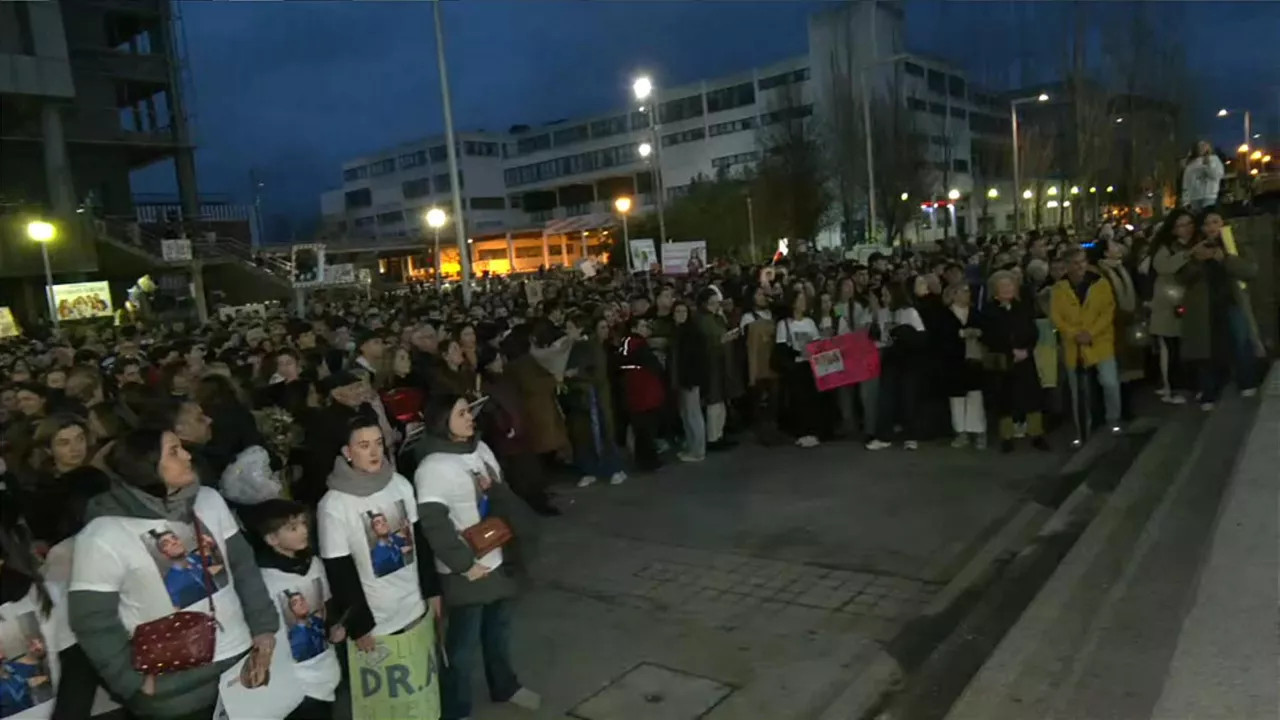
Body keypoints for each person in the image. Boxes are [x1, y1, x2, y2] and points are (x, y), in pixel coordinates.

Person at [69, 428, 278, 720]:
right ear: (147, 465)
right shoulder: (103, 534)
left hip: (238, 662)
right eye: (174, 451)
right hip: (173, 687)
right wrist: (131, 682)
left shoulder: (209, 500)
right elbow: (91, 620)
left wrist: (264, 627)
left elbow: (243, 568)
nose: (187, 455)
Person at [413, 393, 540, 720]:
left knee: (499, 630)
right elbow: (434, 524)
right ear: (442, 421)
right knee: (462, 647)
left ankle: (505, 686)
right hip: (466, 570)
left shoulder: (481, 450)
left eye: (469, 410)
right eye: (460, 413)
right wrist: (464, 565)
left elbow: (504, 498)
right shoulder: (432, 467)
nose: (470, 417)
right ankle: (455, 709)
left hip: (501, 558)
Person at [316, 416, 439, 678]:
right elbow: (339, 570)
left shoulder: (399, 484)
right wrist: (359, 624)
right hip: (377, 619)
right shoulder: (334, 505)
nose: (374, 452)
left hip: (414, 604)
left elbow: (420, 541)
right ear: (347, 453)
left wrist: (432, 590)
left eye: (378, 443)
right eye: (363, 445)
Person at [244, 498, 343, 720]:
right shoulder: (263, 578)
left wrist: (334, 626)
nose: (303, 531)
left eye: (303, 524)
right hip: (291, 679)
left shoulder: (314, 564)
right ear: (271, 539)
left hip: (323, 666)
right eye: (292, 528)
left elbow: (325, 604)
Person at [1177, 208, 1263, 408]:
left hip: (1232, 302)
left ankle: (1247, 381)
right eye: (1207, 224)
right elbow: (1183, 278)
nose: (1211, 227)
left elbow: (1250, 270)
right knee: (1207, 349)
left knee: (1241, 339)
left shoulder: (1235, 243)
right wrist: (1197, 261)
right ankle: (1210, 391)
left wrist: (1224, 258)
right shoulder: (1196, 248)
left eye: (1215, 222)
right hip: (1205, 307)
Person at [1051, 249, 1122, 441]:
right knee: (1078, 392)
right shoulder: (1059, 289)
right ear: (1067, 266)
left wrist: (1091, 332)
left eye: (1082, 262)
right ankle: (1082, 429)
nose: (1080, 266)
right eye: (1075, 263)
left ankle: (1113, 420)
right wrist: (1075, 334)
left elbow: (1108, 311)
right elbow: (1057, 317)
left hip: (1099, 341)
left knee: (1110, 382)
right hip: (1075, 346)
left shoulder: (1100, 284)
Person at [983, 271, 1050, 452]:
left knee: (1032, 396)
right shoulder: (989, 310)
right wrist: (1009, 350)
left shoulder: (1022, 307)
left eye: (1010, 285)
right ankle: (1007, 438)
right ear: (995, 290)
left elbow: (1033, 331)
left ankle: (1037, 434)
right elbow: (989, 336)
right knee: (1005, 399)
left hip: (1025, 358)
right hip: (1004, 360)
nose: (1008, 289)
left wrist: (1026, 350)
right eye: (1003, 286)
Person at [1148, 209, 1196, 404]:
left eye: (1189, 224)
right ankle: (1173, 388)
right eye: (1181, 225)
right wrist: (1187, 255)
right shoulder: (1165, 248)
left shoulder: (1196, 243)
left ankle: (1187, 385)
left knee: (1186, 346)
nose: (1186, 229)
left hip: (1188, 301)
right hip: (1168, 304)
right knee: (1171, 347)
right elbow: (1163, 266)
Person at [935, 284, 987, 448]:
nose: (967, 295)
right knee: (957, 398)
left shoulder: (975, 313)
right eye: (963, 291)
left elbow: (986, 329)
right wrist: (960, 334)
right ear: (953, 295)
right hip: (953, 361)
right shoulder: (944, 315)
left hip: (973, 360)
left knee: (975, 396)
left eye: (968, 292)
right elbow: (940, 336)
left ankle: (978, 430)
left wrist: (978, 333)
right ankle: (960, 431)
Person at [618, 316, 666, 471]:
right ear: (634, 328)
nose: (647, 329)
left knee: (641, 430)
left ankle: (644, 460)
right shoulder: (637, 345)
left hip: (637, 393)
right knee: (645, 430)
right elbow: (655, 366)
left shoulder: (628, 344)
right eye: (643, 325)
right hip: (643, 393)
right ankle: (648, 461)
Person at [1181, 141, 1224, 212]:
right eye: (1200, 146)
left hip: (1209, 196)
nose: (1202, 148)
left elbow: (1216, 175)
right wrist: (1185, 200)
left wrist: (1208, 165)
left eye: (1204, 145)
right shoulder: (1191, 163)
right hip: (1194, 197)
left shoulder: (1214, 159)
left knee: (1208, 216)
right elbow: (1187, 182)